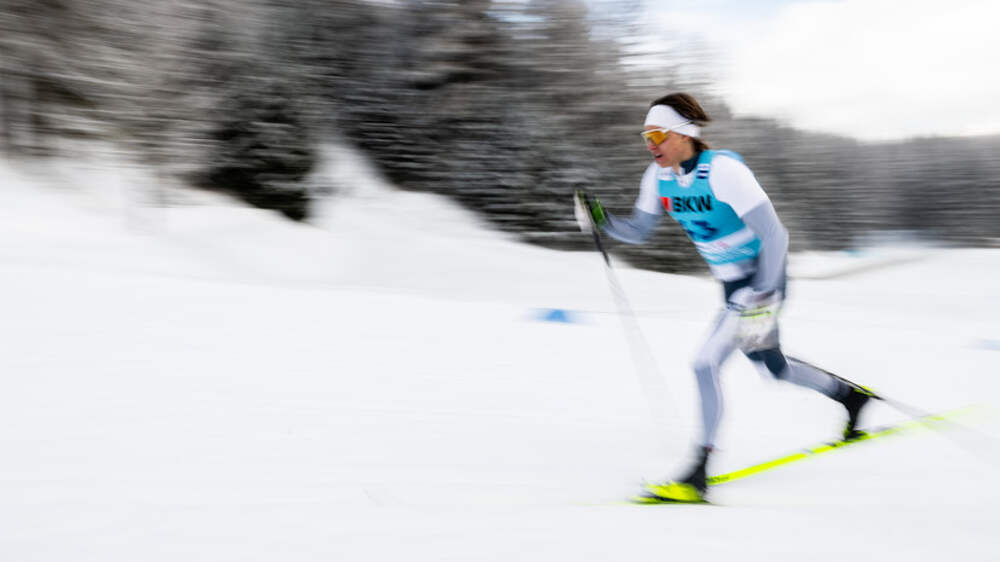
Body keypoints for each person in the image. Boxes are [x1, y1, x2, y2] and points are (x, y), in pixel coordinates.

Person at [573, 92, 875, 503]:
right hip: (733, 288)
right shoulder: (658, 178)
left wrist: (763, 296)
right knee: (773, 369)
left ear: (683, 134)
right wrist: (602, 219)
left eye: (658, 135)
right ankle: (851, 397)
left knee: (705, 362)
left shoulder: (723, 171)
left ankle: (696, 474)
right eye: (646, 137)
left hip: (762, 282)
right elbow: (639, 231)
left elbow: (775, 235)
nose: (651, 145)